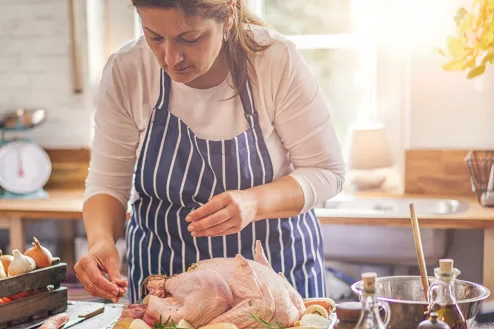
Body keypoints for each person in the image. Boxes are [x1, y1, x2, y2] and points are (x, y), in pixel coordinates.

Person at [75, 0, 345, 304]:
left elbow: (327, 172)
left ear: (228, 15)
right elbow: (107, 185)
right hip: (168, 289)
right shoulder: (128, 69)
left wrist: (254, 202)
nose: (171, 57)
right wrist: (100, 242)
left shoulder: (273, 61)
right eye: (154, 37)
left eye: (190, 39)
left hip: (274, 285)